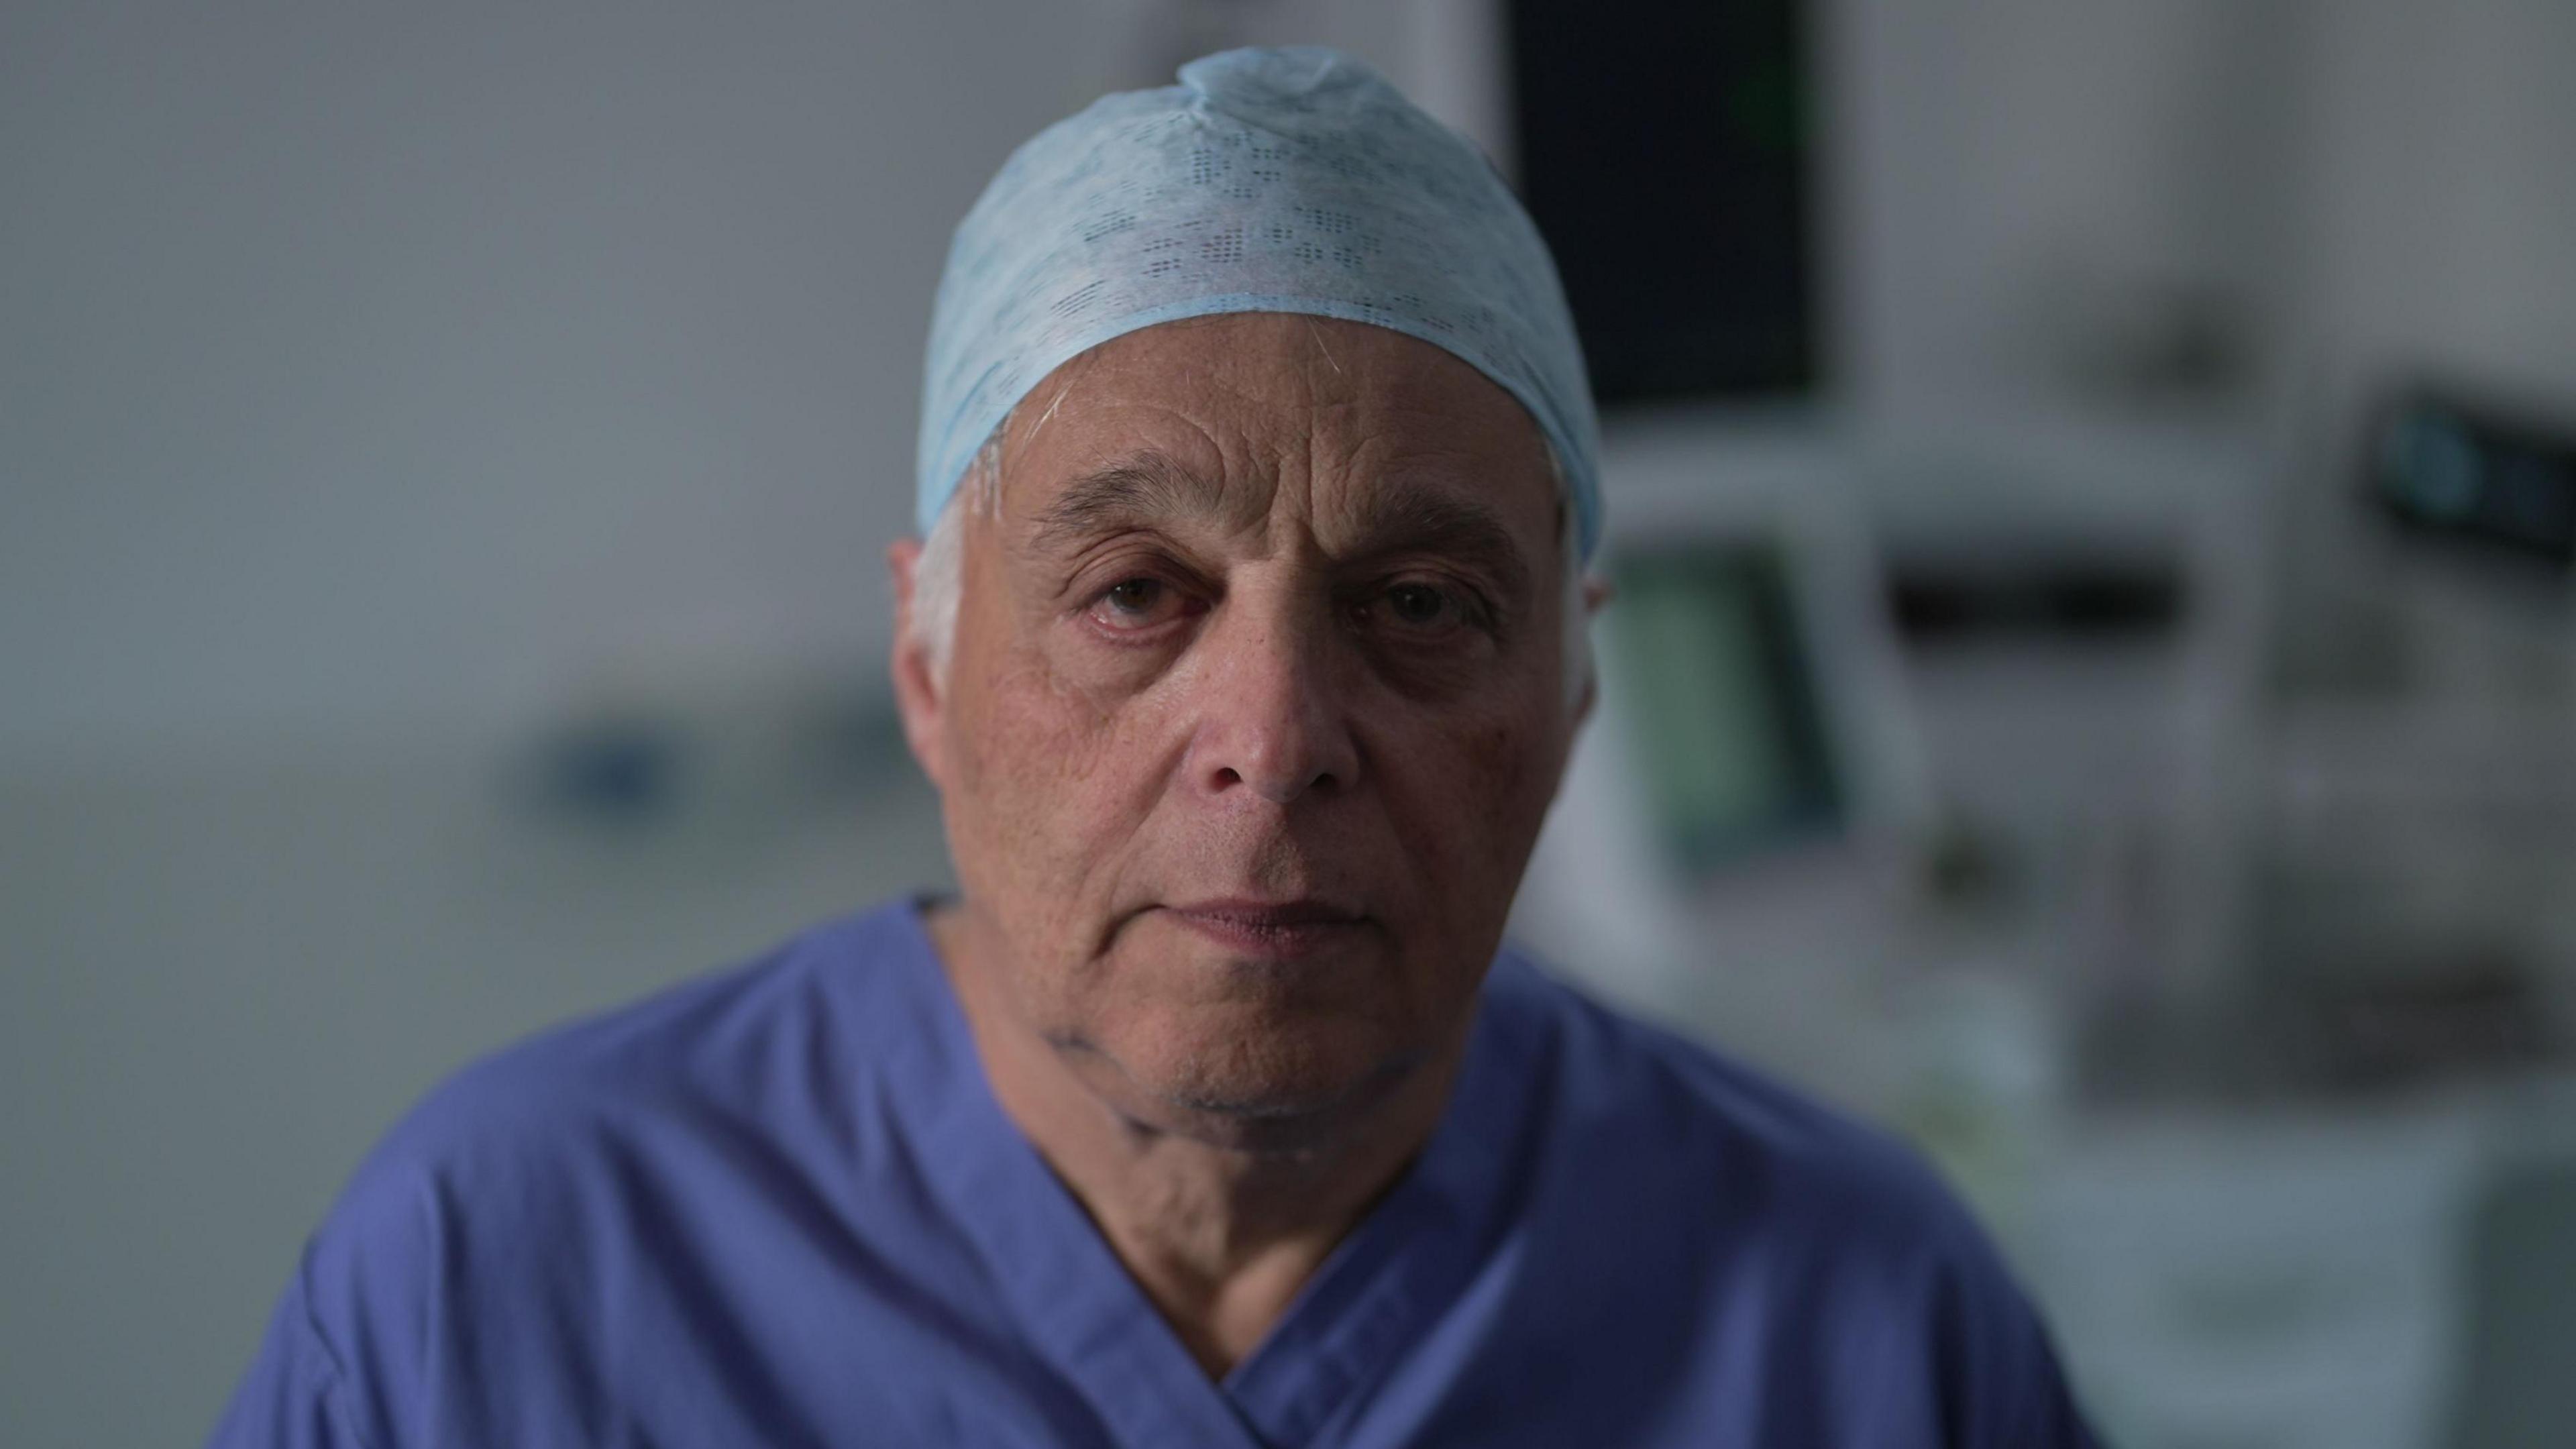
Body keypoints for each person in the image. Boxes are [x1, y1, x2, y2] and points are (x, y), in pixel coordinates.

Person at [209, 45, 2096, 1447]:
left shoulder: (1861, 1329)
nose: (1273, 744)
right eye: (1134, 594)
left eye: (1421, 607)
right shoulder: (499, 1287)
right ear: (930, 663)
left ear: (1575, 694)